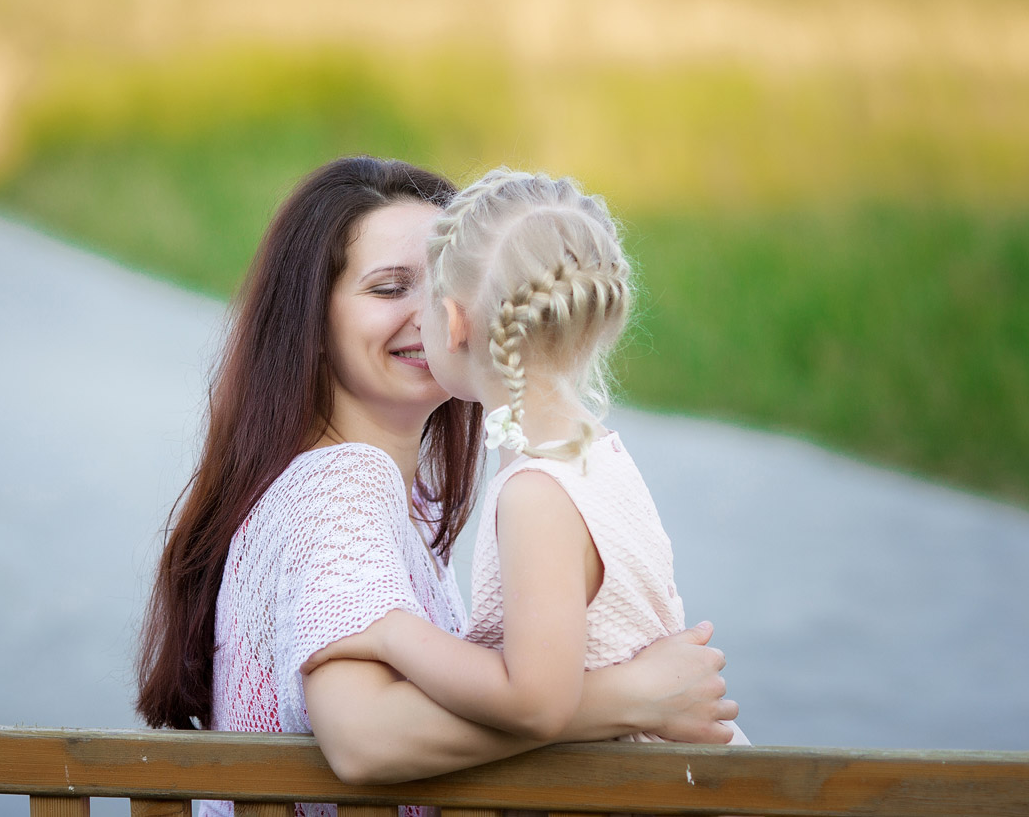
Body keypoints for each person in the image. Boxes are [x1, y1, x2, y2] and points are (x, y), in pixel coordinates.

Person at [135, 158, 740, 813]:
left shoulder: (392, 499)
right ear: (310, 323)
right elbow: (365, 738)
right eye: (390, 287)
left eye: (446, 284)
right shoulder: (342, 488)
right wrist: (632, 695)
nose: (431, 314)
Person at [301, 168, 749, 745]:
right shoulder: (596, 456)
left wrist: (391, 633)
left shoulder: (535, 492)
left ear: (455, 322)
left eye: (428, 296)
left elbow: (536, 702)